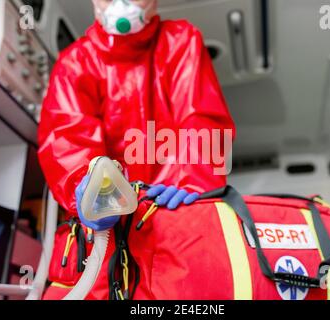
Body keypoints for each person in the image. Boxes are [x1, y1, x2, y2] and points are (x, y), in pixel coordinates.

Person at [38, 0, 235, 231]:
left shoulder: (181, 41)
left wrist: (194, 188)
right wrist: (88, 188)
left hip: (176, 213)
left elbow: (201, 120)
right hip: (113, 230)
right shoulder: (75, 63)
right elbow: (67, 138)